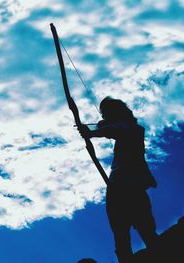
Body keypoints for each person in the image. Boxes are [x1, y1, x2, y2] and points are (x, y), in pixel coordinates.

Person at [77, 97, 158, 263]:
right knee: (121, 235)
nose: (105, 118)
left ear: (118, 113)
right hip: (118, 186)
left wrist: (92, 133)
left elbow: (119, 129)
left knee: (145, 231)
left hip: (130, 185)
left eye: (107, 114)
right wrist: (99, 128)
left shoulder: (133, 129)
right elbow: (113, 129)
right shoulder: (122, 127)